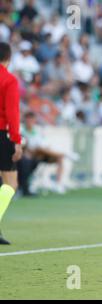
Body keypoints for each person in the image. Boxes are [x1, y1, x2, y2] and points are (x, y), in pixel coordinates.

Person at [0, 42, 23, 245]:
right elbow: (12, 113)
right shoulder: (9, 80)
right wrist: (16, 140)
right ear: (9, 58)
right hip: (1, 134)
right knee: (10, 184)